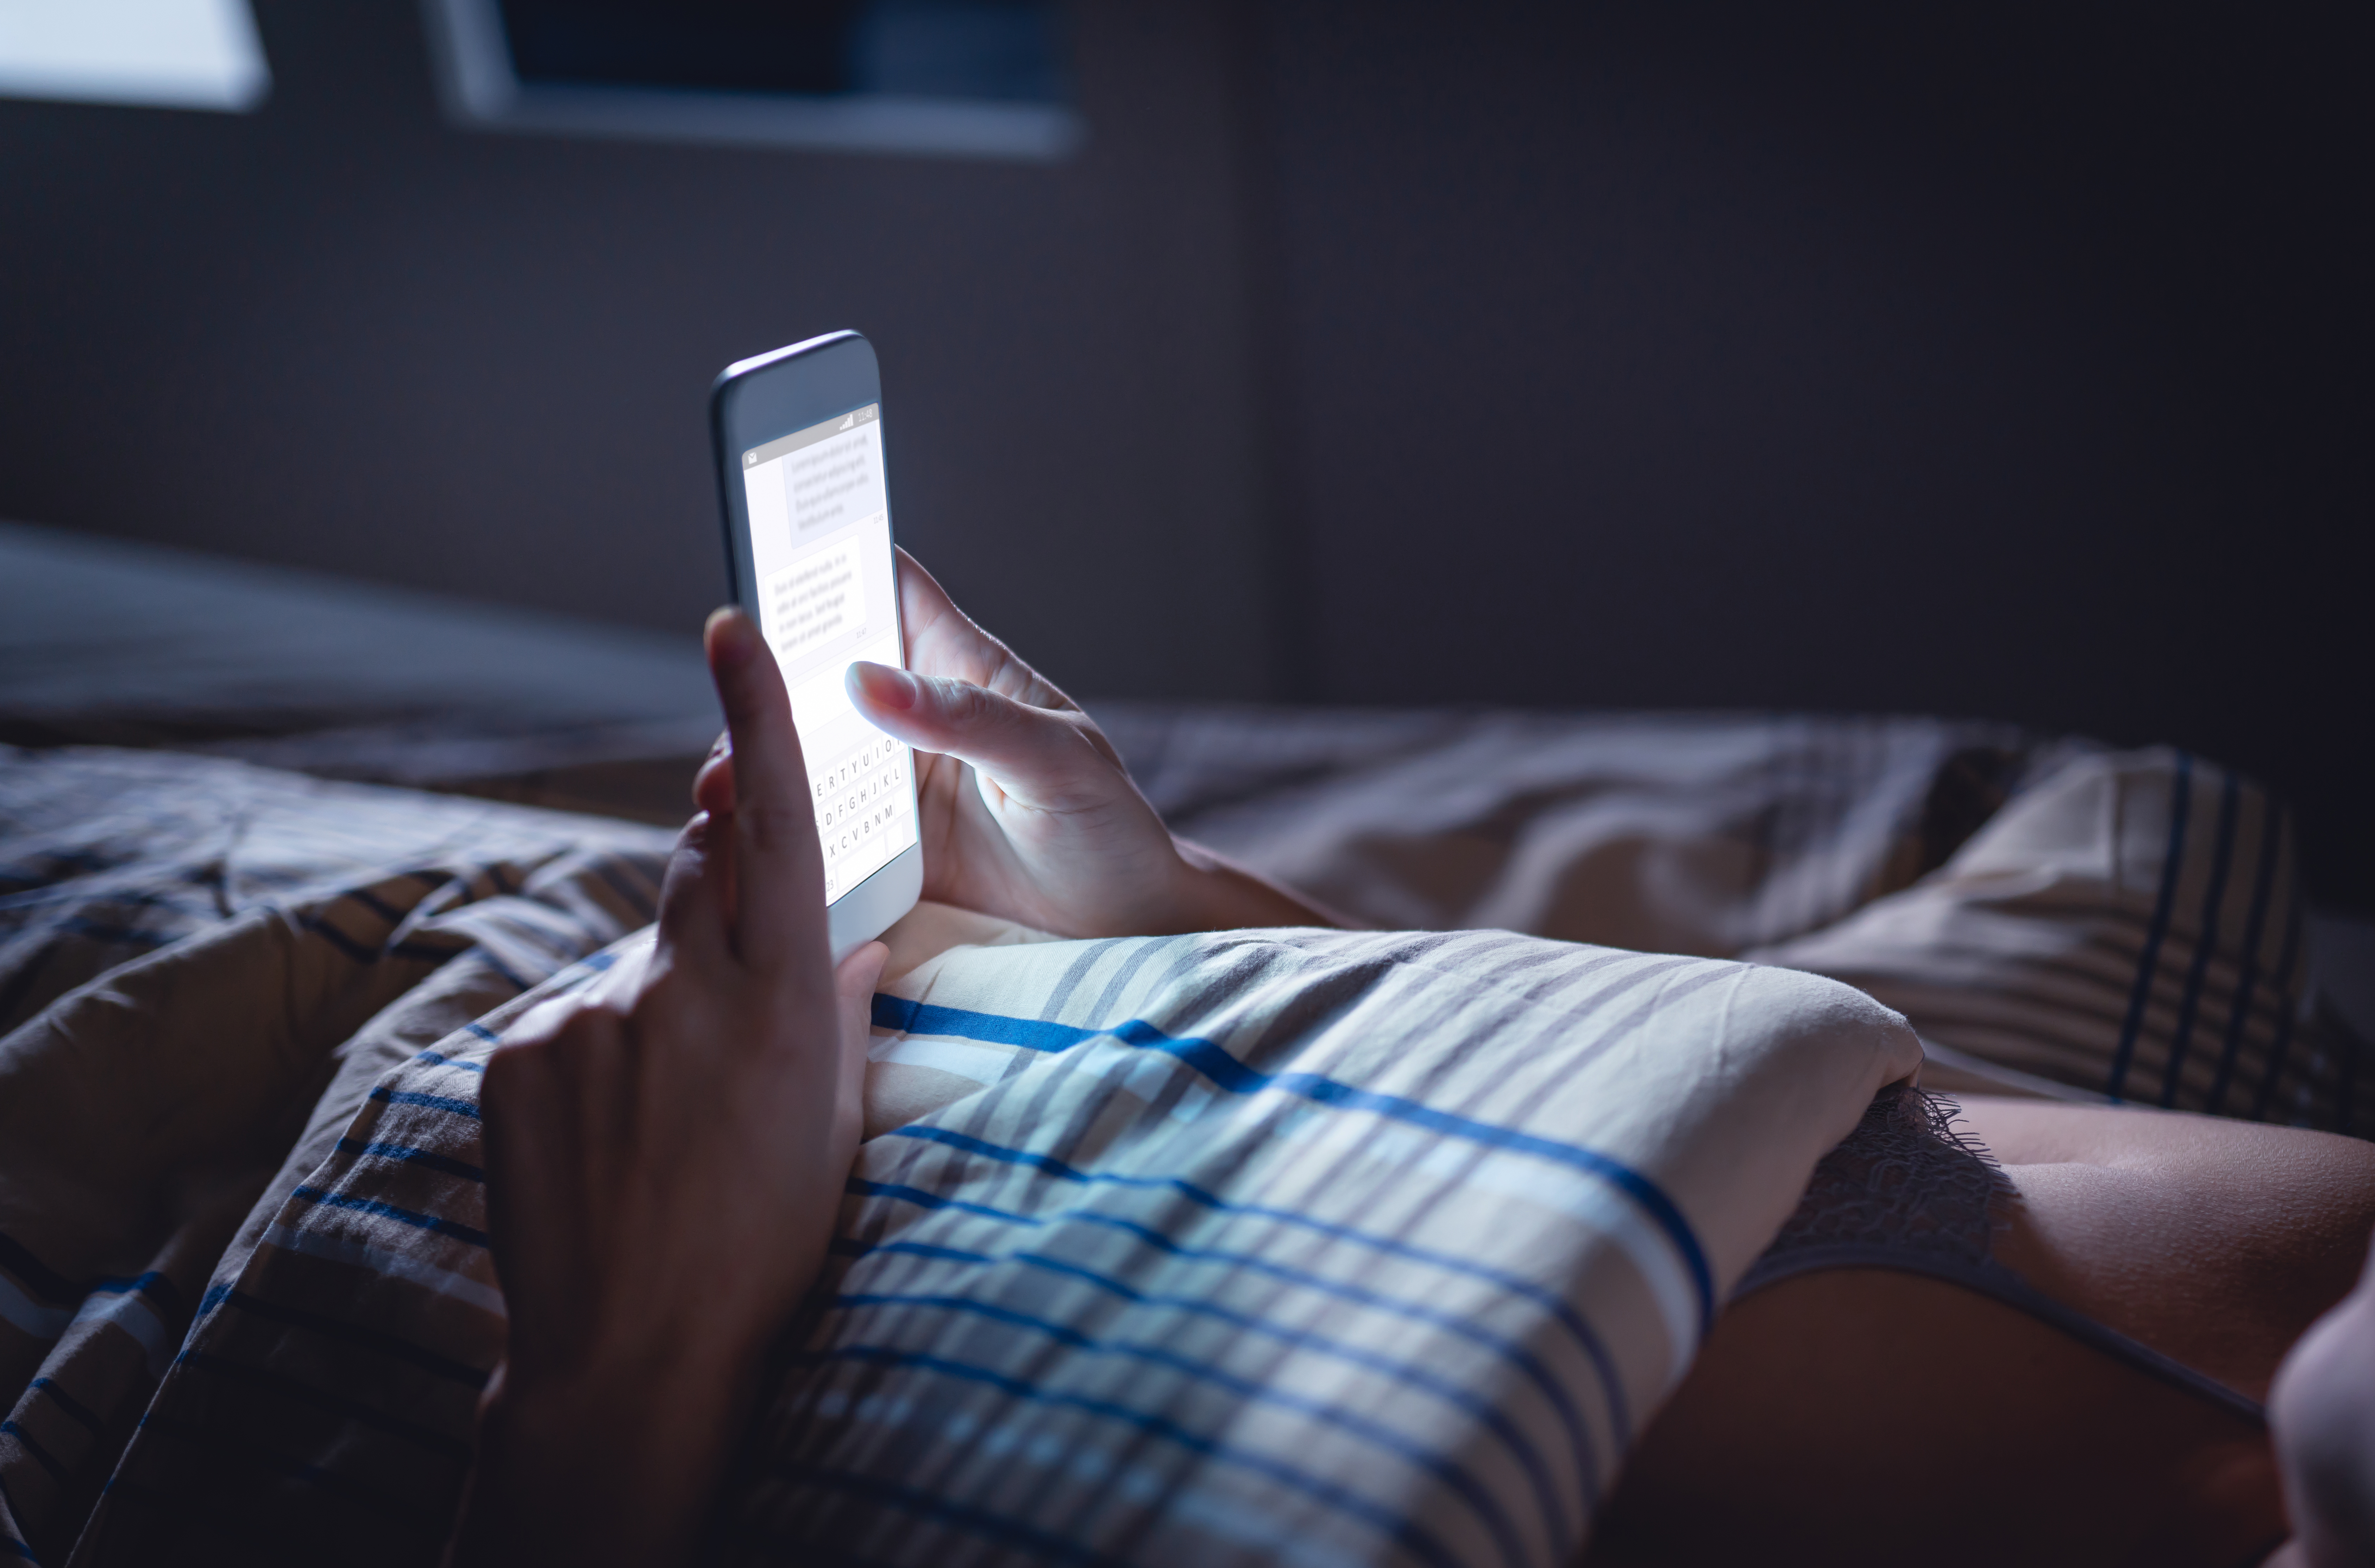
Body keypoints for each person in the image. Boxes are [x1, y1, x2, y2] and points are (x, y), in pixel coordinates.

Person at [444, 552, 2374, 1567]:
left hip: (439, 1277)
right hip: (819, 1001)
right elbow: (1896, 1106)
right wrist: (1201, 922)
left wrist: (610, 1399)